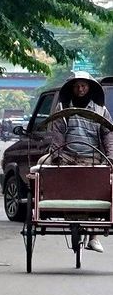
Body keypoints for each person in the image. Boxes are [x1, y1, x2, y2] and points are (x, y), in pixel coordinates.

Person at [49, 71, 113, 252]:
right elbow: (57, 134)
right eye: (77, 86)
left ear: (89, 88)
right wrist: (57, 156)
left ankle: (94, 237)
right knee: (41, 167)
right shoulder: (62, 109)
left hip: (93, 157)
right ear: (72, 88)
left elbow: (108, 135)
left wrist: (111, 158)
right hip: (67, 155)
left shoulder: (101, 111)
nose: (80, 89)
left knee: (100, 189)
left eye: (83, 85)